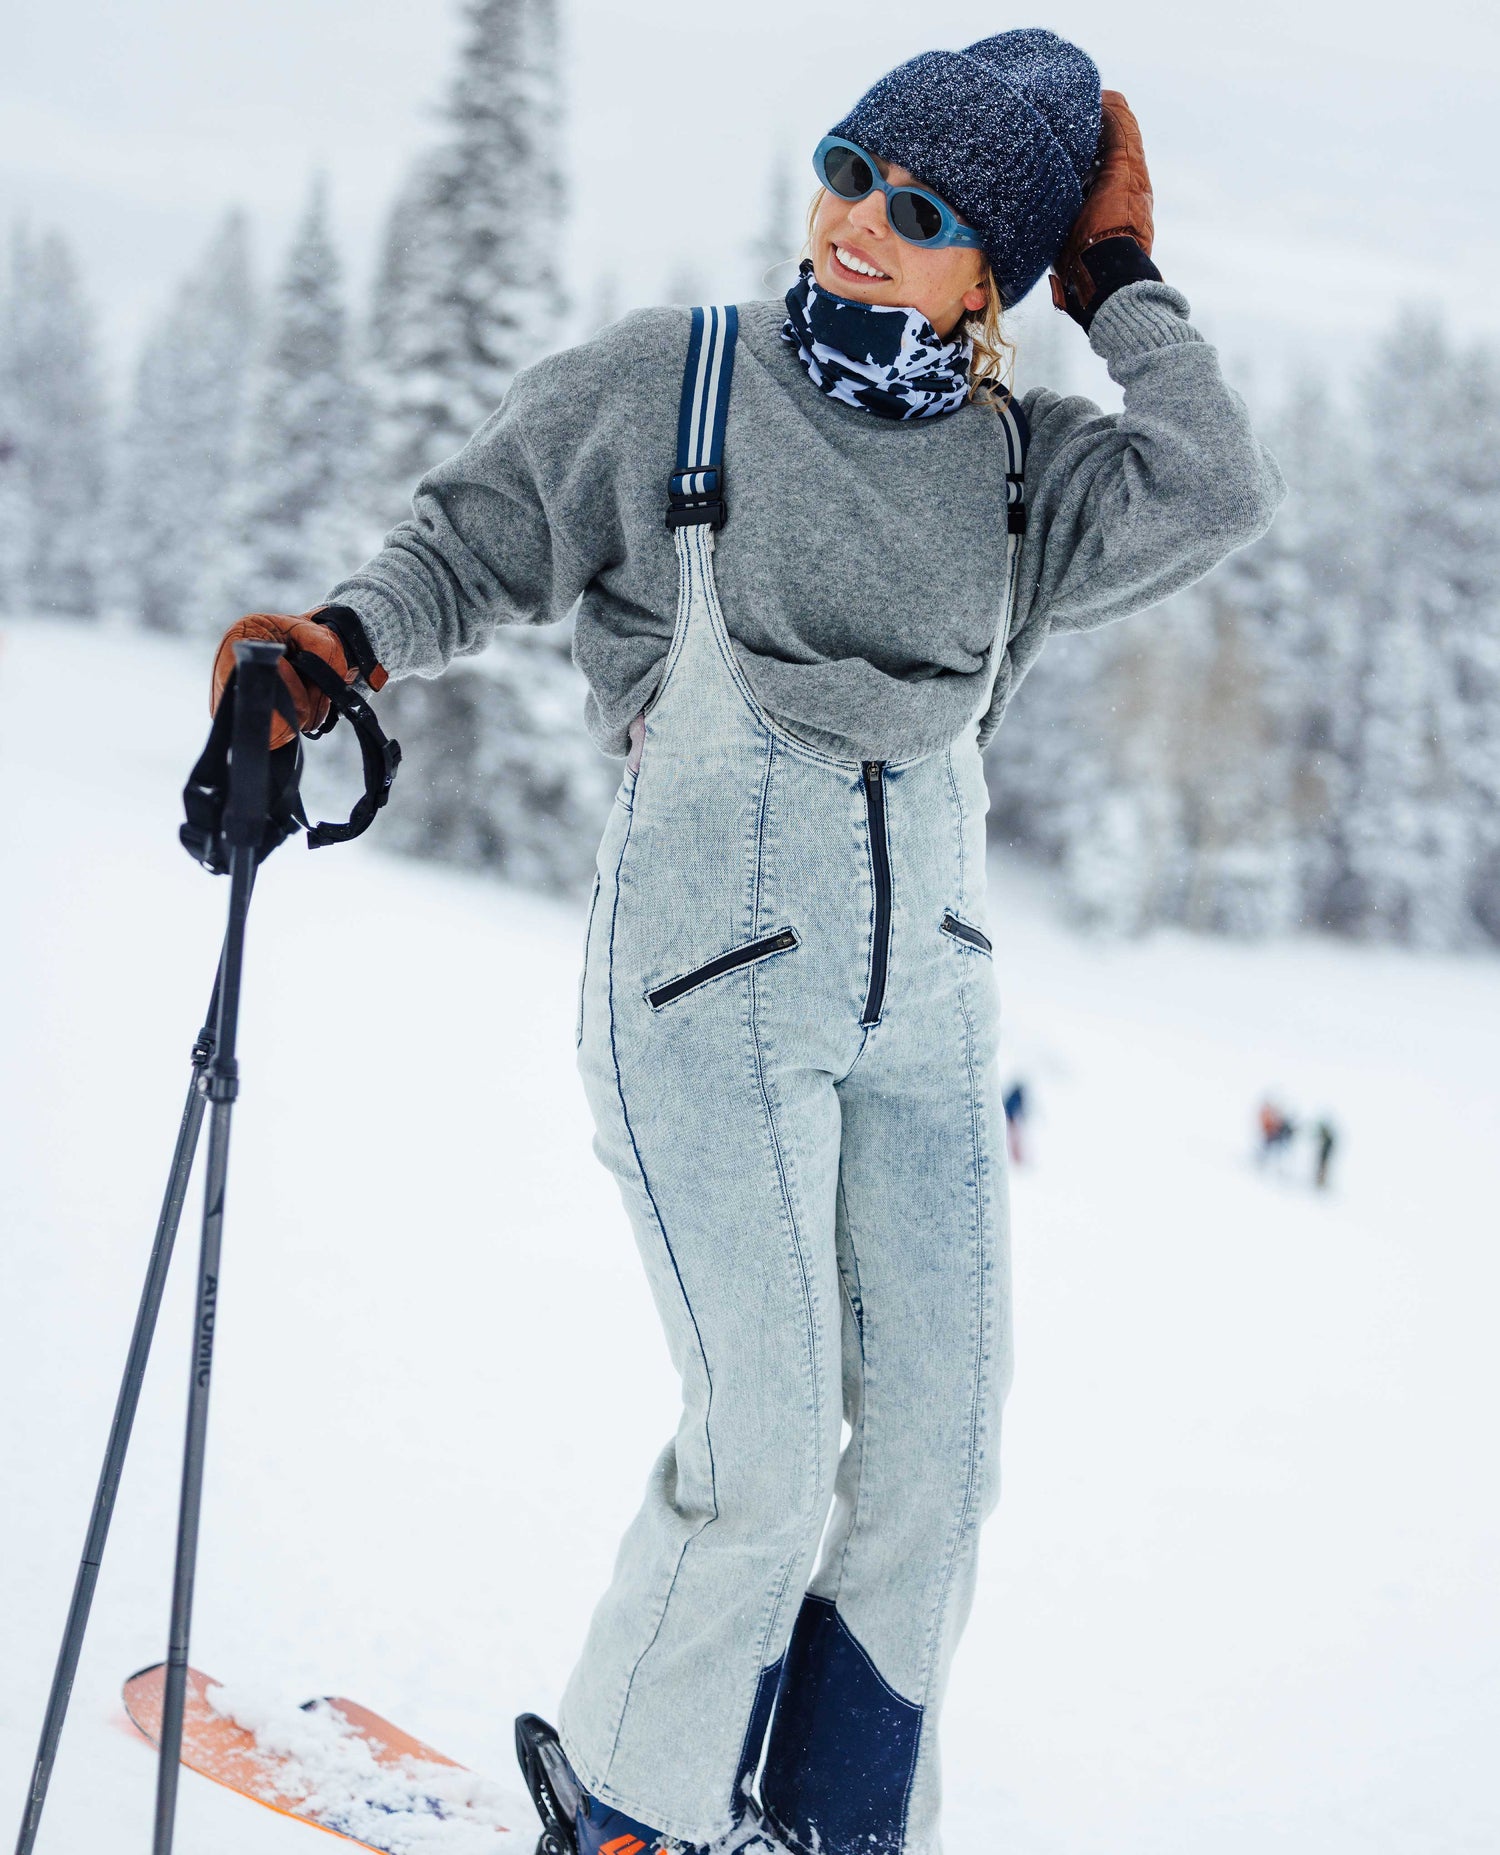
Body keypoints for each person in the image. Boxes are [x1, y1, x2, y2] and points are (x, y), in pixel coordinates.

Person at [209, 30, 1283, 1855]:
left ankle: (840, 1821)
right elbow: (472, 539)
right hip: (700, 991)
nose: (861, 220)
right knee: (767, 1455)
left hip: (929, 1003)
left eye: (925, 208)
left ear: (995, 274)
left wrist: (1125, 286)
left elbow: (1214, 486)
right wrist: (330, 655)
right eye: (850, 167)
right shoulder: (683, 389)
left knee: (939, 1456)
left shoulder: (1023, 473)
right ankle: (630, 1809)